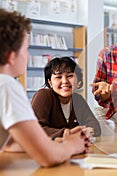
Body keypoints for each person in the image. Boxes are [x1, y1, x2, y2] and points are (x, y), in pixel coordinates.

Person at [0, 8, 90, 167]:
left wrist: (59, 142)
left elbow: (11, 144)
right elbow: (48, 157)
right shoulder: (6, 85)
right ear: (11, 56)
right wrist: (73, 145)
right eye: (25, 49)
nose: (27, 56)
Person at [31, 57, 101, 140]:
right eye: (58, 77)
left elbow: (95, 126)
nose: (65, 81)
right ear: (50, 82)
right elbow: (34, 129)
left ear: (78, 81)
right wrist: (69, 133)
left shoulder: (78, 99)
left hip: (70, 149)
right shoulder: (44, 95)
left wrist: (87, 131)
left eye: (70, 76)